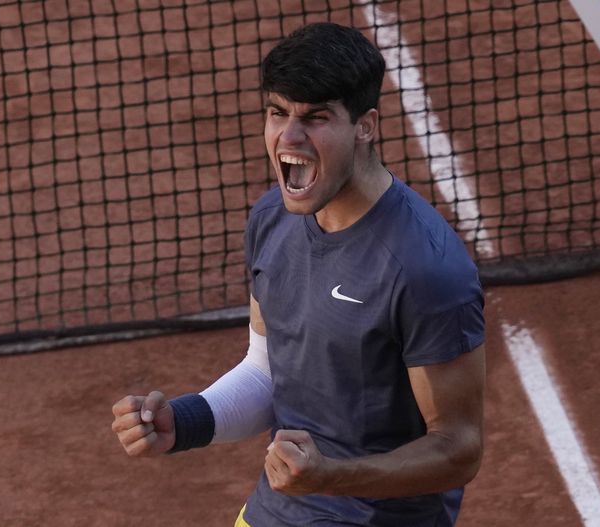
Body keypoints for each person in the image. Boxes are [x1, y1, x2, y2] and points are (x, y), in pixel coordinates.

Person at [111, 22, 485, 526]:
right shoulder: (272, 220)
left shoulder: (424, 270)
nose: (288, 137)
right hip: (281, 508)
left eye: (315, 118)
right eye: (277, 113)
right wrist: (184, 421)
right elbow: (269, 370)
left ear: (365, 125)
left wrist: (332, 475)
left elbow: (458, 449)